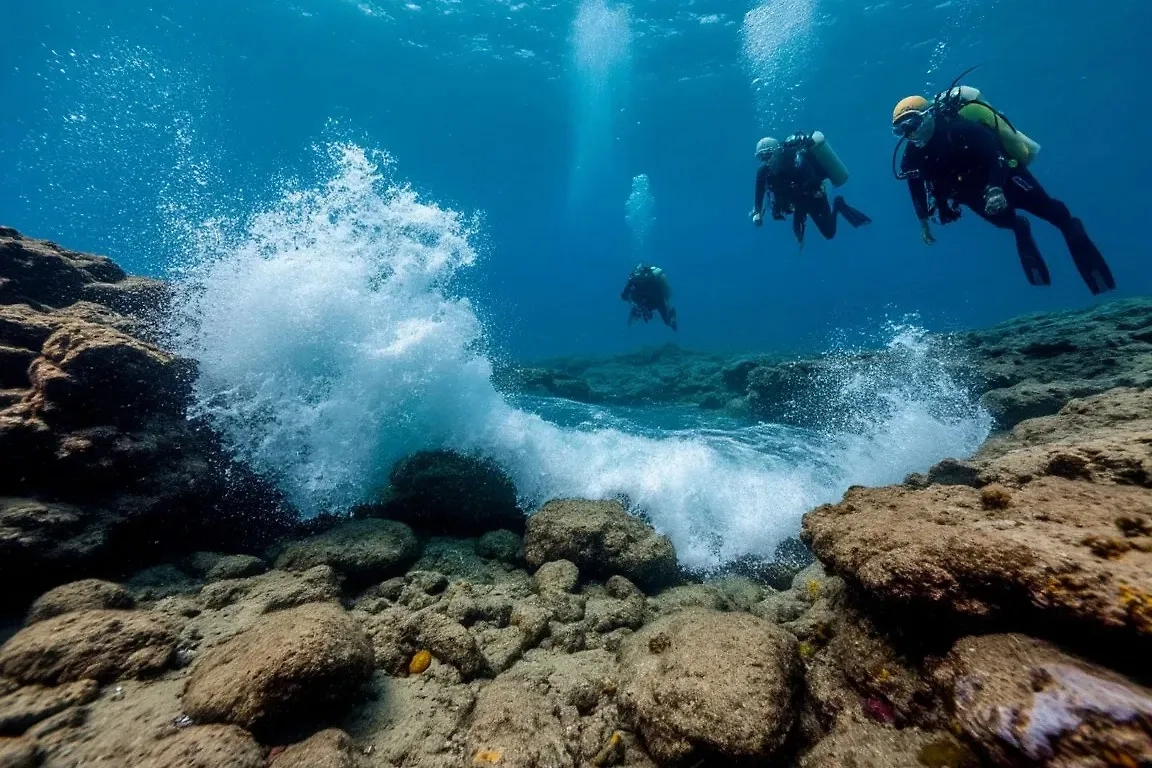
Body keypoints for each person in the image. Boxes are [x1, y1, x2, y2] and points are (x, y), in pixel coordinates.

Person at [892, 93, 1115, 295]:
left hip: (1008, 179)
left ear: (928, 115)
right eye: (901, 130)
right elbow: (915, 185)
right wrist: (923, 222)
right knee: (1008, 223)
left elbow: (995, 156)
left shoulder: (962, 130)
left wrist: (996, 189)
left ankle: (1085, 256)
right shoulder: (911, 156)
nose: (910, 133)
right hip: (972, 195)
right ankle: (1021, 229)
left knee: (1055, 213)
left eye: (912, 123)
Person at [751, 134, 872, 246]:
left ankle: (838, 204)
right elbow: (759, 191)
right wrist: (757, 212)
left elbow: (812, 179)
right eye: (762, 158)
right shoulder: (763, 172)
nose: (766, 161)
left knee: (829, 233)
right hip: (797, 202)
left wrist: (810, 193)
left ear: (777, 152)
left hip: (813, 198)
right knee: (798, 235)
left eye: (768, 156)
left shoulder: (795, 161)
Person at [620, 263, 677, 330]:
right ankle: (671, 319)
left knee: (637, 306)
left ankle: (670, 319)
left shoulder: (633, 280)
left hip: (647, 301)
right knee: (666, 319)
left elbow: (624, 296)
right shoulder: (649, 278)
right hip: (658, 299)